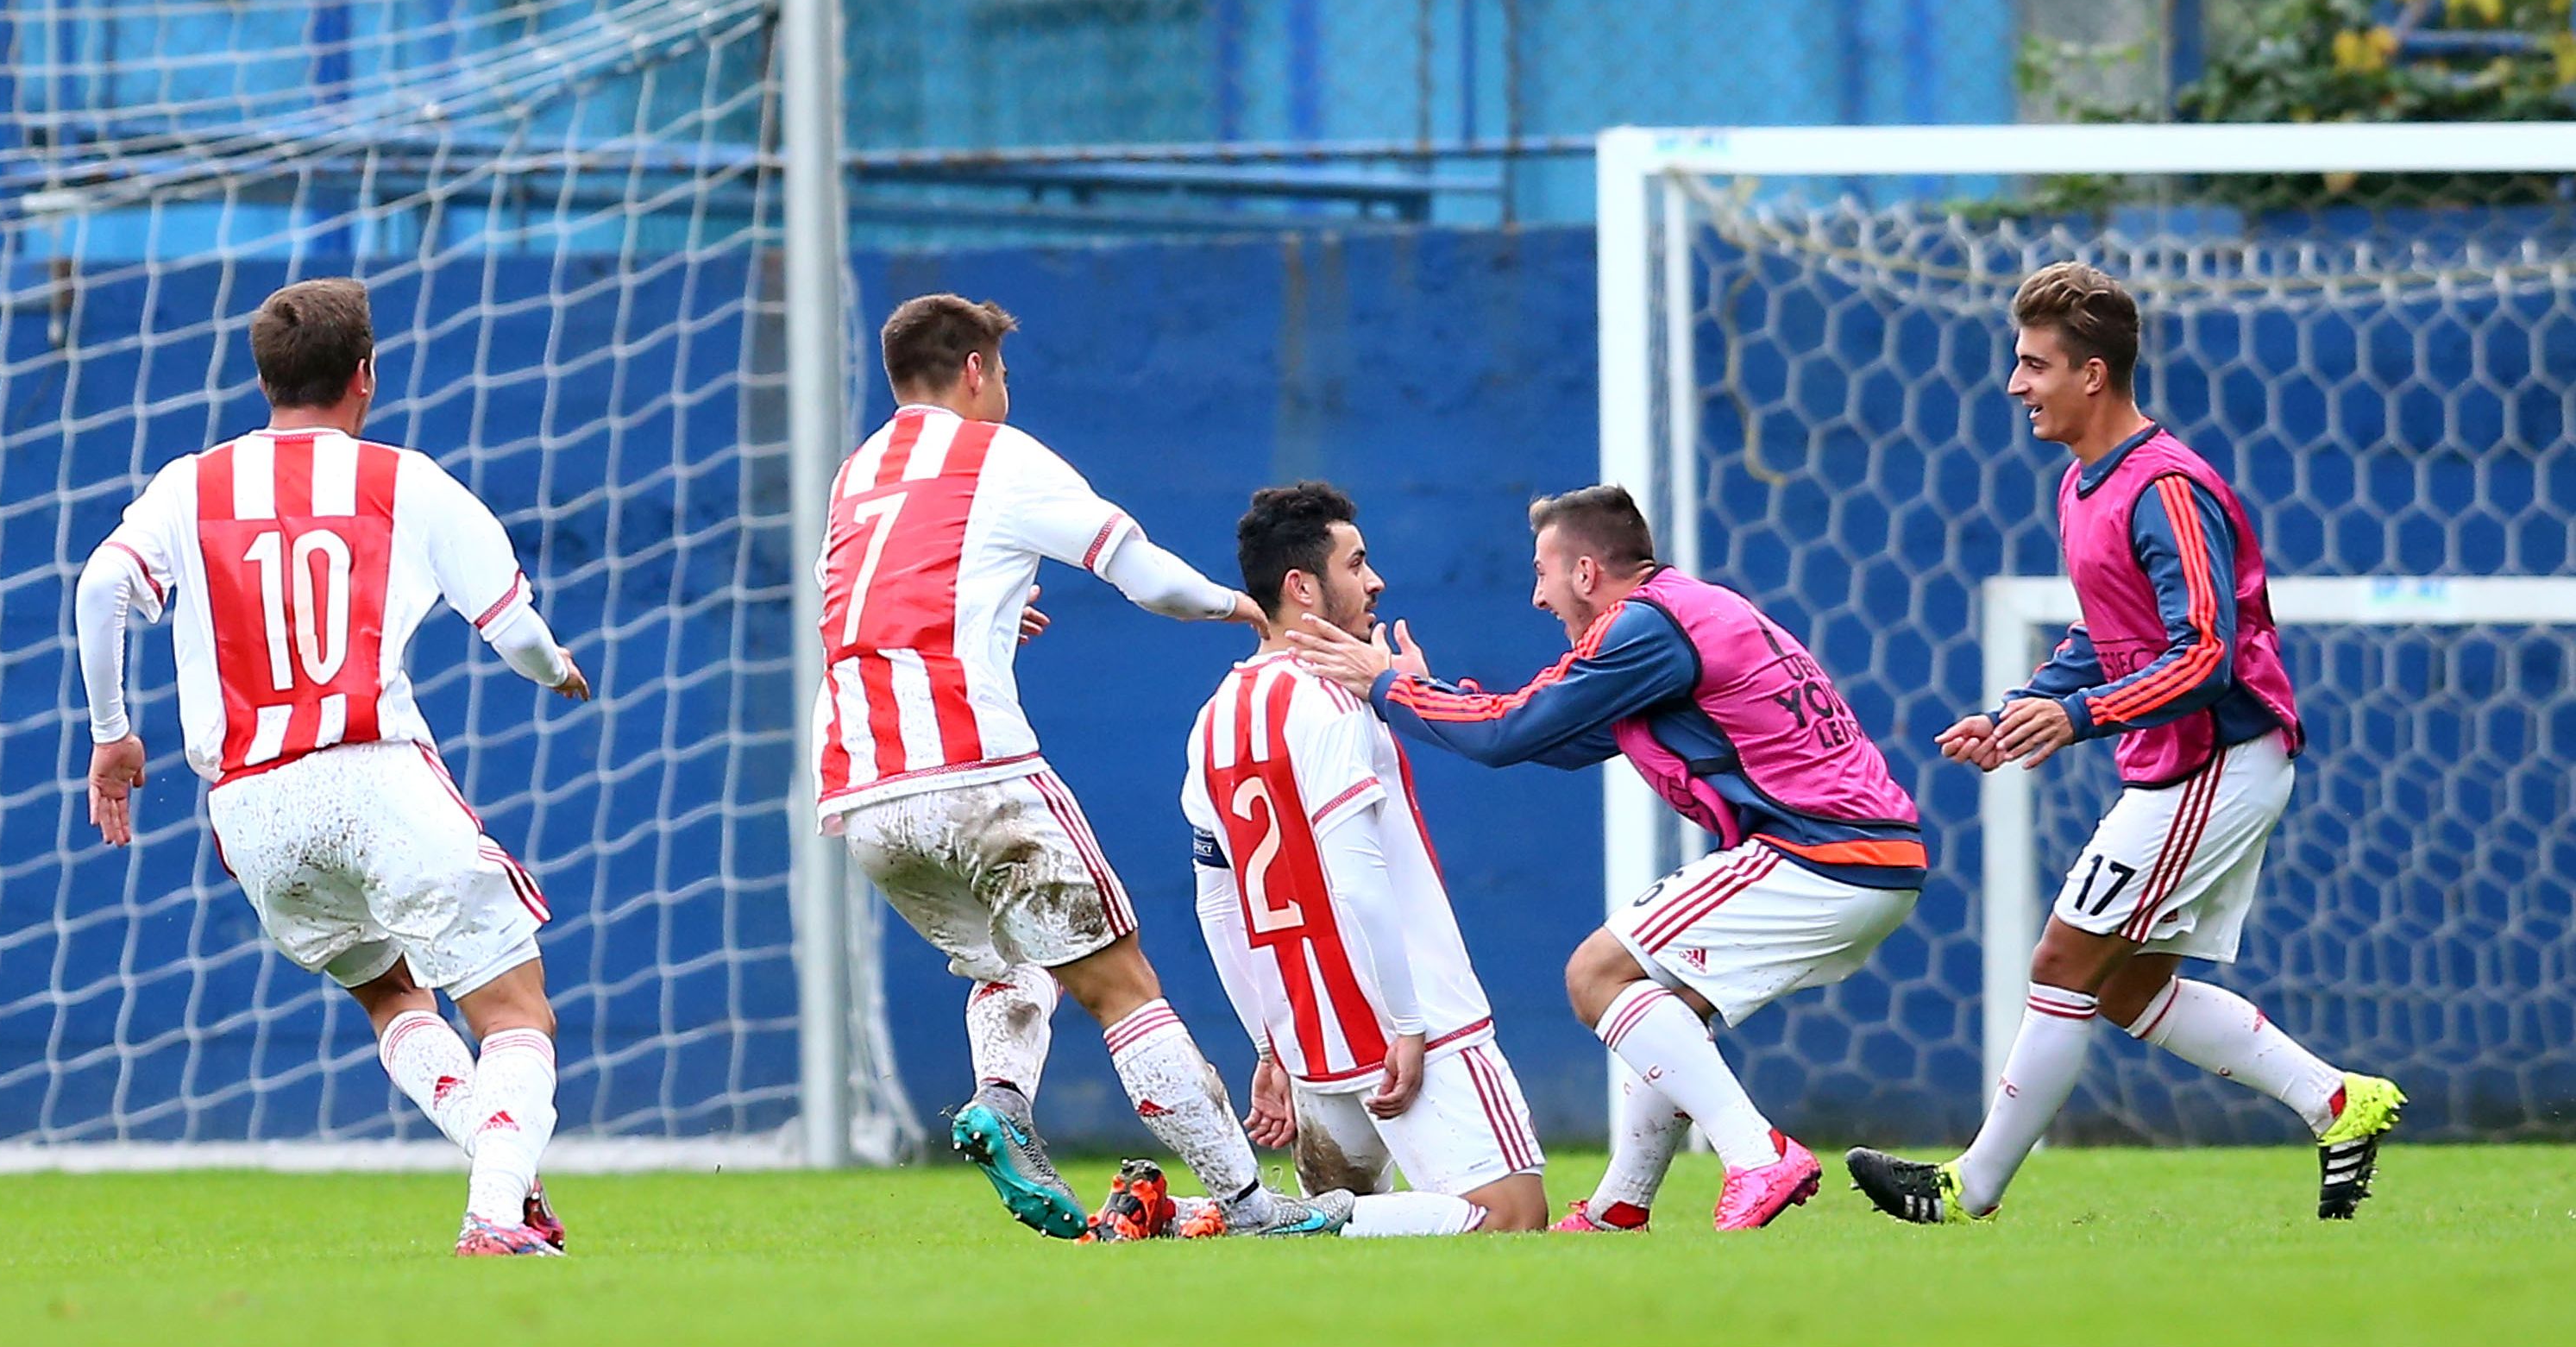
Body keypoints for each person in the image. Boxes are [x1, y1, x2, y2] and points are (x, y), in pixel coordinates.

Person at [1845, 261, 2403, 1224]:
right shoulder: (2080, 486)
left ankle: (1966, 1187)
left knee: (2063, 961)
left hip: (2218, 758)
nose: (2015, 384)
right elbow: (2106, 634)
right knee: (2125, 985)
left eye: (2032, 364)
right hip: (2179, 762)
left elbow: (2208, 654)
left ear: (2091, 375)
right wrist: (2026, 705)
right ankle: (2339, 1103)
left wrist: (2079, 716)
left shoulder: (2167, 487)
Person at [817, 293, 1348, 1241]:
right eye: (1003, 377)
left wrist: (985, 613)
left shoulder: (858, 475)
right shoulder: (999, 455)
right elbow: (1142, 573)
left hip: (865, 801)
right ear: (977, 371)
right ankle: (1250, 1201)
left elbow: (883, 600)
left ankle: (1000, 1102)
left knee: (1010, 968)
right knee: (1125, 986)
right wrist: (1245, 610)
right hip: (976, 774)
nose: (1005, 394)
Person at [75, 278, 588, 1256]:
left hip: (253, 807)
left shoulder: (192, 483)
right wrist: (558, 670)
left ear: (266, 378)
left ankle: (500, 1170)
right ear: (366, 376)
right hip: (370, 771)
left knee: (394, 995)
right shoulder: (406, 478)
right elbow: (514, 630)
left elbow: (104, 583)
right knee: (517, 1009)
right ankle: (493, 1207)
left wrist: (113, 731)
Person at [1291, 484, 1924, 1231]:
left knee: (1595, 974)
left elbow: (1512, 730)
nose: (1536, 597)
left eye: (1543, 573)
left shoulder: (1645, 628)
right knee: (1660, 1006)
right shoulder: (1682, 617)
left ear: (1586, 573)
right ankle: (1622, 1203)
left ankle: (1758, 1154)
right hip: (1872, 860)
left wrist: (1392, 687)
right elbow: (1552, 740)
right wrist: (1417, 693)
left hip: (1818, 852)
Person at [1180, 482, 1548, 1237]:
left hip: (1309, 1037)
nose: (1375, 580)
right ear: (1302, 586)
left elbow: (1218, 906)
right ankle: (1258, 1219)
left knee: (1374, 1242)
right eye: (1357, 562)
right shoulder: (1330, 702)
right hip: (1408, 1021)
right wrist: (1406, 1022)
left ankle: (1234, 1220)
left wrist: (1268, 1043)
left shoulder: (1214, 718)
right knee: (1511, 1218)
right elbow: (1356, 876)